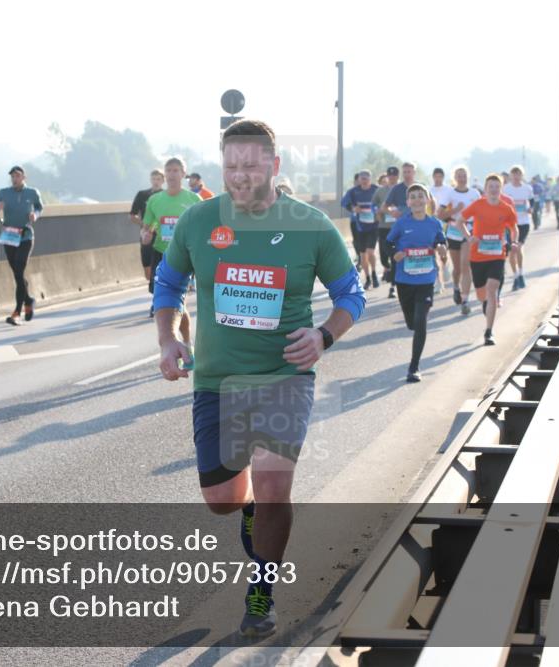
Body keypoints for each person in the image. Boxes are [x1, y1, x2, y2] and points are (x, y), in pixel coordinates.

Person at [152, 119, 365, 638]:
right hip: (216, 381)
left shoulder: (311, 225)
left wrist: (323, 337)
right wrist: (168, 338)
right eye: (231, 166)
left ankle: (262, 592)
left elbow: (351, 296)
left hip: (285, 376)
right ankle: (245, 509)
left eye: (250, 165)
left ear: (274, 165)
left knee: (273, 483)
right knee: (223, 502)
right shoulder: (199, 221)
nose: (240, 176)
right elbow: (169, 283)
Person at [387, 184, 447, 382]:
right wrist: (394, 254)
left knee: (420, 322)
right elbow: (389, 243)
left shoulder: (435, 224)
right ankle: (415, 326)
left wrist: (441, 248)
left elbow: (441, 240)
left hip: (426, 278)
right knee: (412, 323)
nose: (417, 200)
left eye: (421, 196)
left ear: (428, 199)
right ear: (408, 202)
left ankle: (414, 366)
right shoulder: (402, 223)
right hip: (404, 279)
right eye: (413, 197)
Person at [454, 174, 519, 346]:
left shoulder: (506, 208)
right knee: (482, 294)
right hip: (478, 256)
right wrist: (468, 238)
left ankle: (489, 332)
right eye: (491, 186)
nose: (494, 189)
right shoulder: (478, 205)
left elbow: (514, 228)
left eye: (497, 186)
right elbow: (459, 222)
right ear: (486, 188)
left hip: (497, 255)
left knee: (492, 290)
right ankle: (486, 303)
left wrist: (513, 241)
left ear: (501, 189)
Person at [144, 158, 200, 332]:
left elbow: (201, 226)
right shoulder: (155, 200)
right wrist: (145, 235)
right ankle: (172, 330)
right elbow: (148, 225)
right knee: (158, 290)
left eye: (176, 171)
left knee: (177, 298)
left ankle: (179, 337)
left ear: (184, 174)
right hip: (161, 251)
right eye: (168, 171)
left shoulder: (194, 199)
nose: (171, 174)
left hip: (184, 254)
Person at [0, 165, 44, 325]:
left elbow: (39, 207)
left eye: (17, 176)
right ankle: (28, 300)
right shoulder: (3, 193)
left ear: (24, 178)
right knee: (17, 274)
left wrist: (35, 215)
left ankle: (17, 312)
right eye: (12, 176)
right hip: (9, 236)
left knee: (19, 269)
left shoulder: (32, 193)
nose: (14, 179)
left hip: (26, 236)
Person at [439, 166, 481, 315]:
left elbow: (480, 212)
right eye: (459, 176)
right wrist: (455, 210)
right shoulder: (449, 193)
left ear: (467, 177)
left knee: (465, 266)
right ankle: (456, 287)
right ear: (454, 178)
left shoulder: (474, 193)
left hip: (468, 231)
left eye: (464, 176)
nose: (462, 178)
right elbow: (440, 214)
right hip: (453, 231)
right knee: (457, 269)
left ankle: (465, 300)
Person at [343, 169, 380, 289]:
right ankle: (368, 278)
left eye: (366, 179)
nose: (363, 181)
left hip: (374, 226)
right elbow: (343, 202)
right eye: (361, 179)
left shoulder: (376, 189)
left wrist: (378, 211)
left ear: (370, 179)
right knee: (363, 255)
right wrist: (353, 208)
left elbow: (384, 202)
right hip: (360, 227)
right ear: (359, 179)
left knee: (371, 252)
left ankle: (374, 273)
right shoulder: (354, 191)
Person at [130, 169, 165, 284]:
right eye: (154, 179)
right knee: (147, 269)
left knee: (161, 264)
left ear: (163, 181)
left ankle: (159, 286)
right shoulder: (142, 195)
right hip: (146, 234)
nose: (156, 182)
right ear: (150, 180)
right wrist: (144, 225)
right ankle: (154, 282)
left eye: (158, 179)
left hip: (162, 234)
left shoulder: (166, 196)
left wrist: (155, 226)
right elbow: (132, 216)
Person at [502, 166, 533, 290]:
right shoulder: (506, 188)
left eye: (518, 174)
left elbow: (532, 200)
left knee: (519, 248)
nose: (516, 176)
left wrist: (531, 208)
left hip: (523, 222)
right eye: (514, 174)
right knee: (511, 251)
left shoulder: (527, 188)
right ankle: (516, 276)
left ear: (522, 175)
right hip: (510, 223)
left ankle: (521, 272)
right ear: (510, 176)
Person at [372, 168, 399, 298]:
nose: (392, 177)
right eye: (390, 175)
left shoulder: (402, 189)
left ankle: (393, 287)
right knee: (383, 256)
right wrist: (377, 212)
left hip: (397, 227)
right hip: (383, 226)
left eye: (395, 175)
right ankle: (386, 268)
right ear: (387, 176)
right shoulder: (381, 190)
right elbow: (373, 204)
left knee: (394, 256)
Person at [429, 167, 454, 295]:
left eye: (440, 176)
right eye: (436, 176)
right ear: (433, 177)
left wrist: (447, 216)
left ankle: (445, 265)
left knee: (444, 249)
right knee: (433, 251)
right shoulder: (429, 190)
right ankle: (438, 281)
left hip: (445, 222)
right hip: (432, 223)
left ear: (443, 177)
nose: (438, 178)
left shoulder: (449, 190)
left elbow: (451, 206)